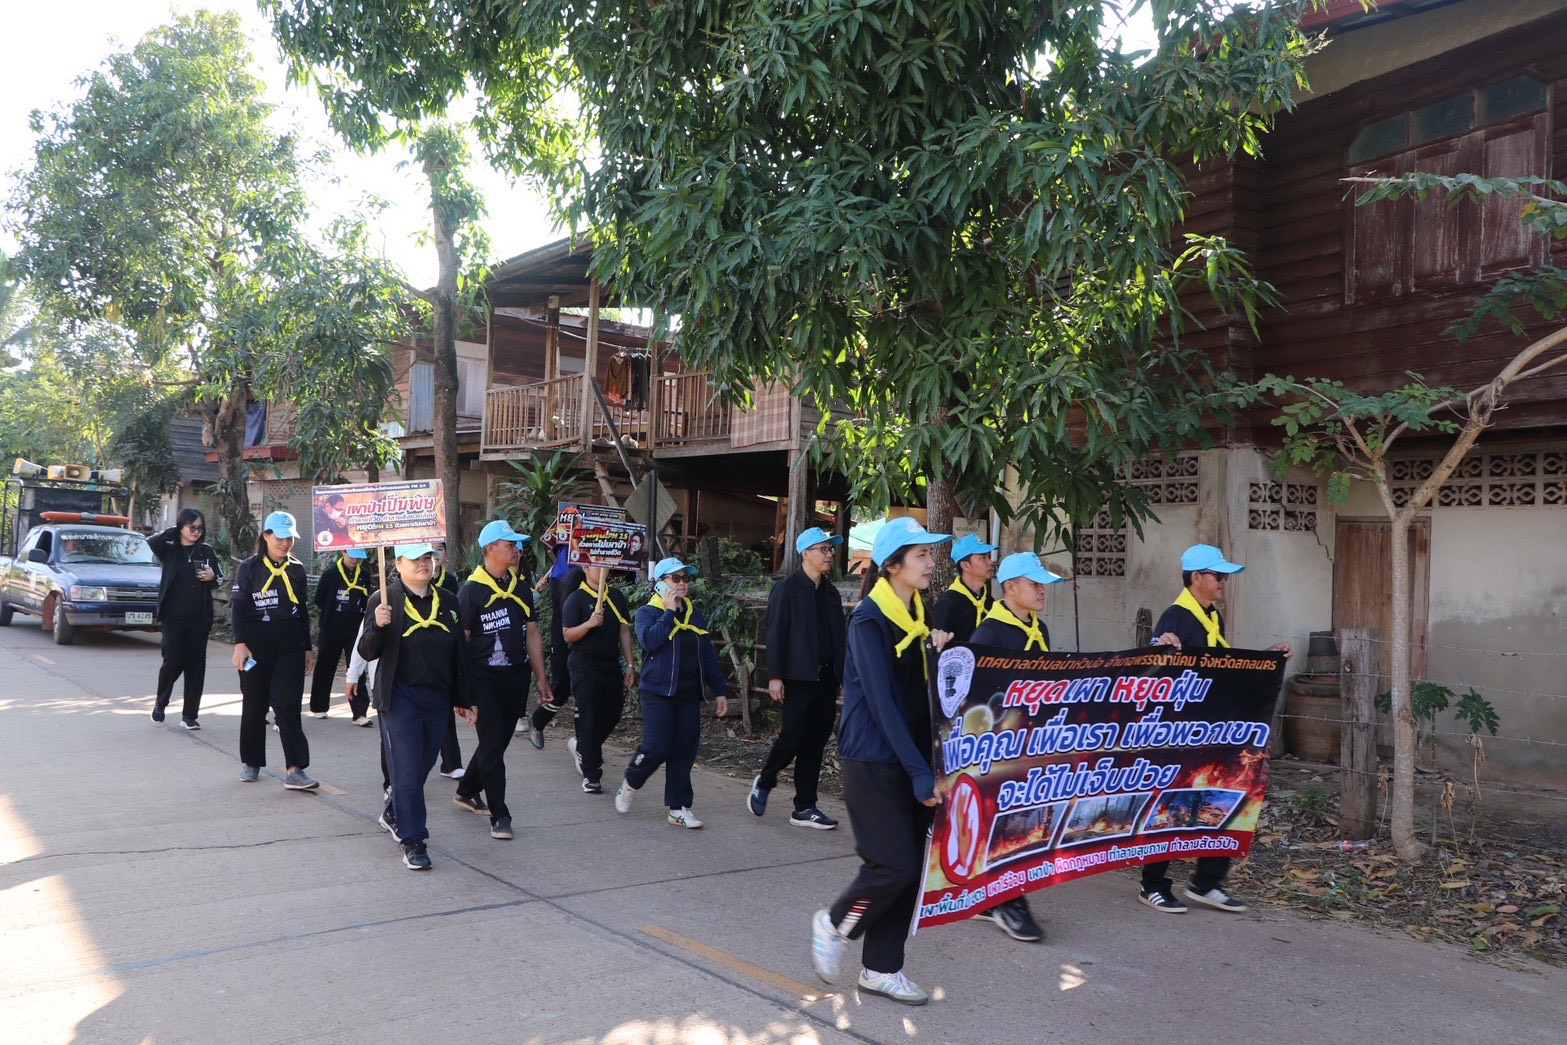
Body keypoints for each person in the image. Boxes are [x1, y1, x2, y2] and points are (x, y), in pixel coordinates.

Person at [810, 516, 951, 1006]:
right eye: (921, 555)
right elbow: (883, 703)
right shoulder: (870, 620)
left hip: (912, 756)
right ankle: (835, 924)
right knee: (891, 865)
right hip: (873, 756)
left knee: (908, 869)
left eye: (930, 554)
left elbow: (922, 696)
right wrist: (918, 772)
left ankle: (881, 969)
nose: (930, 563)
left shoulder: (918, 616)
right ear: (893, 565)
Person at [1138, 543, 1292, 914]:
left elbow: (1222, 666)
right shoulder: (1176, 617)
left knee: (1221, 797)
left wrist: (1266, 659)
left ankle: (1207, 881)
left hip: (1212, 727)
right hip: (1179, 732)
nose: (1223, 582)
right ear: (1196, 577)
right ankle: (1152, 885)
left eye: (1225, 576)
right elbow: (1156, 667)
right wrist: (1161, 646)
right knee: (1172, 804)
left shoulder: (1211, 617)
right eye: (1218, 575)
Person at [964, 551, 1064, 944]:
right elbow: (974, 700)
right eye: (1034, 584)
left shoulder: (1039, 630)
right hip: (998, 750)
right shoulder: (989, 635)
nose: (1042, 591)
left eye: (1043, 584)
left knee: (1023, 824)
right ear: (1010, 588)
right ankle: (1009, 902)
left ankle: (990, 896)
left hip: (1031, 744)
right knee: (1011, 825)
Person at [358, 543, 475, 870]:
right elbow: (367, 651)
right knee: (408, 769)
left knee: (423, 764)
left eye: (428, 558)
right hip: (399, 698)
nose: (424, 564)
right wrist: (377, 625)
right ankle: (413, 840)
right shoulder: (383, 600)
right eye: (415, 559)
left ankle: (394, 810)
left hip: (437, 697)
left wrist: (467, 698)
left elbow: (460, 652)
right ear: (398, 563)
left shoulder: (448, 600)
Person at [452, 521, 555, 841]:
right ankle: (500, 814)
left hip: (516, 678)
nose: (517, 550)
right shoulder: (471, 592)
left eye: (517, 544)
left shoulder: (521, 588)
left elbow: (532, 634)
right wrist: (460, 692)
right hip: (483, 679)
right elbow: (460, 644)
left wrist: (541, 679)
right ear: (490, 549)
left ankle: (467, 789)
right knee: (494, 746)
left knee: (496, 742)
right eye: (510, 544)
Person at [616, 557, 730, 828]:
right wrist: (668, 612)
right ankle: (631, 781)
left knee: (684, 750)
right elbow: (649, 641)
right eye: (675, 578)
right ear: (660, 584)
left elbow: (707, 655)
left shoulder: (695, 614)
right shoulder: (648, 612)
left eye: (685, 578)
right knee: (656, 748)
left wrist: (720, 691)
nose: (682, 583)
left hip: (688, 694)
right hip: (657, 692)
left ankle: (678, 808)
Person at [747, 526, 848, 829]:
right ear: (806, 553)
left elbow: (838, 639)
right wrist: (775, 676)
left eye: (830, 549)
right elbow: (775, 633)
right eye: (823, 549)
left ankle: (805, 807)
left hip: (826, 679)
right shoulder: (787, 588)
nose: (829, 554)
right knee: (792, 737)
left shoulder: (830, 592)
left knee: (815, 743)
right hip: (797, 678)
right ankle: (765, 780)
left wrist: (843, 678)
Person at [230, 511, 317, 790]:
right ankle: (252, 761)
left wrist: (307, 647)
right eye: (280, 537)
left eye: (290, 538)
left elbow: (301, 610)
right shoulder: (249, 568)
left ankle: (295, 769)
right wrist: (240, 644)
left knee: (287, 705)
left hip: (290, 645)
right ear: (266, 536)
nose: (285, 543)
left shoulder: (297, 569)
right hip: (255, 645)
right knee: (254, 704)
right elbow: (238, 608)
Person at [560, 563, 636, 794]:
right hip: (584, 664)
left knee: (613, 712)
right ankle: (591, 775)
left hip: (610, 664)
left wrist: (630, 663)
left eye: (605, 564)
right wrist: (589, 623)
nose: (602, 569)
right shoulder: (576, 599)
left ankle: (583, 747)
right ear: (585, 567)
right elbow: (567, 635)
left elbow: (623, 630)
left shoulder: (616, 596)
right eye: (596, 564)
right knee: (590, 717)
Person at [148, 508, 222, 729]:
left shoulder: (207, 551)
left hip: (199, 618)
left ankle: (189, 715)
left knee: (196, 666)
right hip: (173, 618)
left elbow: (219, 578)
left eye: (200, 528)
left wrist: (212, 577)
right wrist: (176, 530)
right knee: (173, 660)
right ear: (181, 527)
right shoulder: (170, 550)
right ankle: (161, 702)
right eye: (192, 527)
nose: (196, 531)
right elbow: (152, 541)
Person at [310, 547, 373, 724]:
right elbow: (319, 598)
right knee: (325, 665)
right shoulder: (331, 574)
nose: (355, 561)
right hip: (332, 627)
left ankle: (359, 713)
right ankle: (319, 706)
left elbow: (365, 599)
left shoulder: (364, 575)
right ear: (343, 552)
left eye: (358, 558)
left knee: (356, 667)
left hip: (355, 628)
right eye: (352, 556)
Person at [523, 527, 573, 749]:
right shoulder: (564, 566)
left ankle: (586, 748)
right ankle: (538, 720)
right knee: (562, 687)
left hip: (592, 642)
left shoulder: (597, 561)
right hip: (564, 635)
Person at [430, 542, 467, 779]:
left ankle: (451, 763)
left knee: (444, 709)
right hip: (411, 663)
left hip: (441, 652)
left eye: (439, 550)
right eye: (428, 551)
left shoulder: (450, 583)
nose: (434, 556)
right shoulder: (397, 590)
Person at [930, 533, 997, 643]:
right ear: (965, 565)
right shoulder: (948, 603)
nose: (990, 562)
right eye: (983, 558)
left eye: (988, 557)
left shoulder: (988, 601)